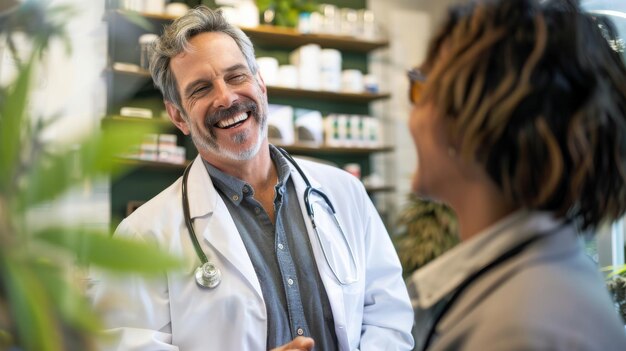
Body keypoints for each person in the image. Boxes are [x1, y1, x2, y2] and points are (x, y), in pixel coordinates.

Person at [91, 5, 414, 351]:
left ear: (260, 83)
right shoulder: (143, 236)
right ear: (178, 116)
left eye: (236, 76)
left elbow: (388, 317)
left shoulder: (343, 192)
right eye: (200, 89)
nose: (226, 97)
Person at [405, 0, 626, 350]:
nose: (412, 114)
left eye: (419, 87)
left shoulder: (520, 326)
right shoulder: (532, 289)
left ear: (475, 119)